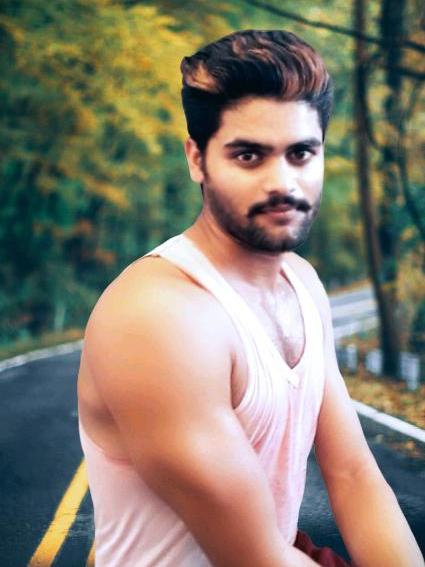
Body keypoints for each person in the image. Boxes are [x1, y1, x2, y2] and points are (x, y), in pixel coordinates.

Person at [77, 30, 424, 567]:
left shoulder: (302, 283)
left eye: (301, 153)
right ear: (198, 159)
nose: (282, 183)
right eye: (248, 156)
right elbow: (257, 556)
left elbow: (353, 475)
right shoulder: (158, 315)